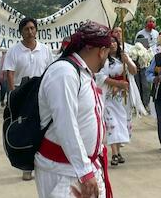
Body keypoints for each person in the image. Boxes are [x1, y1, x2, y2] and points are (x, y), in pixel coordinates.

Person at [35, 21, 112, 198]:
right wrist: (85, 171)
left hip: (80, 168)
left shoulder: (83, 73)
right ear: (101, 52)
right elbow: (66, 125)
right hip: (64, 171)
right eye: (107, 53)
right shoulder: (64, 73)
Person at [2, 17, 53, 181]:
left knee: (43, 127)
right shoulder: (14, 51)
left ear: (36, 30)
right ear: (21, 32)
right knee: (25, 128)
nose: (30, 32)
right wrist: (12, 95)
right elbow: (9, 73)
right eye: (26, 29)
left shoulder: (45, 49)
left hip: (41, 93)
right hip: (22, 93)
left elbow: (50, 71)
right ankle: (26, 166)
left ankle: (41, 162)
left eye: (32, 28)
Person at [97, 36, 137, 166]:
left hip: (123, 96)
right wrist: (116, 83)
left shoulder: (123, 57)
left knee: (121, 122)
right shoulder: (103, 60)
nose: (113, 44)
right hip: (109, 96)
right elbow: (101, 76)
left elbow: (134, 71)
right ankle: (114, 153)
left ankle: (118, 151)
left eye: (114, 42)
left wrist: (128, 61)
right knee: (111, 123)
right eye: (110, 42)